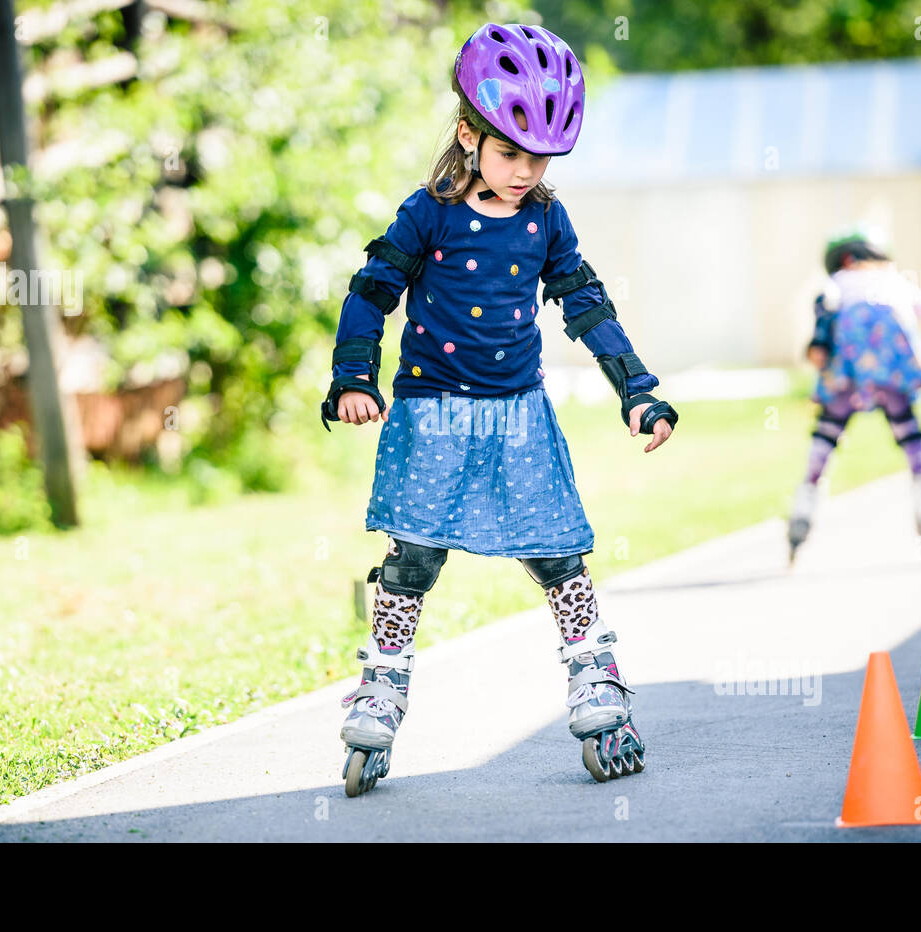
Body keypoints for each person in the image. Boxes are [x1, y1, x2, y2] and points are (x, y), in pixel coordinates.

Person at [320, 22, 678, 796]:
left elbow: (585, 302)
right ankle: (381, 689)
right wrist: (354, 376)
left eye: (540, 156)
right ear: (468, 135)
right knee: (412, 561)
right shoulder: (429, 213)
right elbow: (372, 292)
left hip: (518, 415)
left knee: (556, 558)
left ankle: (597, 685)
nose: (525, 171)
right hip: (431, 416)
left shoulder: (546, 219)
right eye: (510, 152)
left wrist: (638, 389)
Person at [787, 228, 921, 564]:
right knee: (912, 439)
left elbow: (823, 312)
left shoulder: (836, 284)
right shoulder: (893, 282)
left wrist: (818, 343)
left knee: (825, 438)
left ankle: (801, 515)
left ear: (842, 260)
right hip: (894, 371)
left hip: (846, 374)